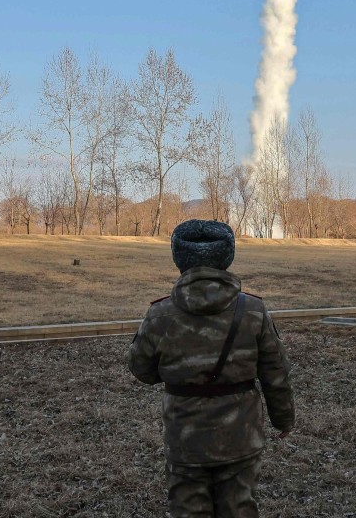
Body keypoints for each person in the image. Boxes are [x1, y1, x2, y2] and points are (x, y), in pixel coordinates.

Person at [128, 219, 295, 518]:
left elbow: (141, 369)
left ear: (178, 257)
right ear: (227, 257)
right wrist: (283, 419)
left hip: (185, 439)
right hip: (241, 437)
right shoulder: (253, 311)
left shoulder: (160, 314)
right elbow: (275, 373)